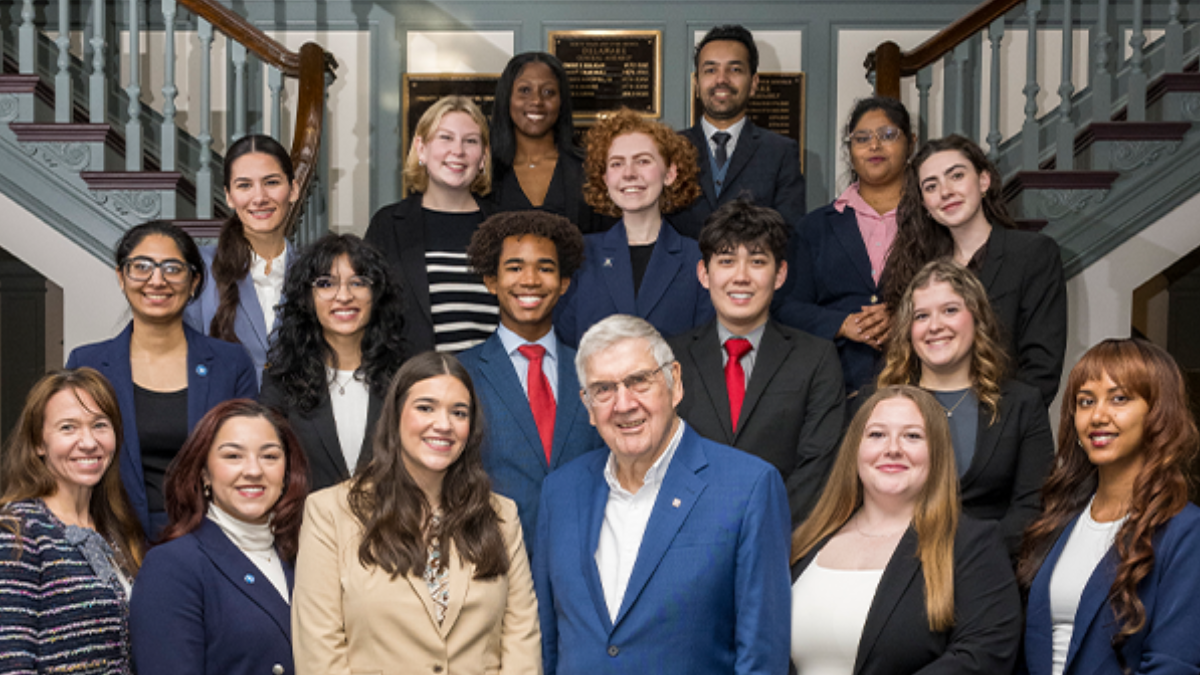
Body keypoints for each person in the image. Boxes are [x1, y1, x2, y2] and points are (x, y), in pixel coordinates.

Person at [534, 315, 790, 675]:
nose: (623, 404)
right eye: (603, 389)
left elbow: (762, 658)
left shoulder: (748, 488)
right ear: (588, 406)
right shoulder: (559, 492)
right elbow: (546, 643)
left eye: (639, 381)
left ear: (675, 383)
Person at [292, 352, 540, 675]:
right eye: (426, 407)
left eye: (459, 412)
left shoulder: (501, 516)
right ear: (395, 415)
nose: (444, 424)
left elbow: (521, 641)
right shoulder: (329, 513)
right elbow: (319, 654)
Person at [790, 385, 1022, 675]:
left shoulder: (972, 544)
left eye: (912, 436)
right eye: (876, 434)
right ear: (855, 449)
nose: (892, 449)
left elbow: (984, 654)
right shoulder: (801, 542)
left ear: (937, 452)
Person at [1019, 338, 1200, 675]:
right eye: (1085, 402)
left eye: (1119, 399)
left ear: (1159, 413)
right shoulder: (1058, 519)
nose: (1097, 416)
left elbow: (1173, 666)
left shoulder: (1186, 532)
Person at [67, 221, 258, 537]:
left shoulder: (230, 363)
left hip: (214, 537)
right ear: (121, 277)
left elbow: (250, 457)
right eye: (141, 267)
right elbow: (71, 463)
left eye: (172, 268)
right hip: (116, 537)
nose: (157, 280)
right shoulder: (87, 364)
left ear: (194, 281)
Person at [669, 198, 844, 525]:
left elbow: (818, 467)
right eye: (726, 261)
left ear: (780, 274)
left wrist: (759, 533)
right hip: (685, 537)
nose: (741, 276)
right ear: (704, 273)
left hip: (783, 540)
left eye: (758, 261)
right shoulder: (669, 358)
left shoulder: (816, 358)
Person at [876, 259, 1054, 554]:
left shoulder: (1022, 404)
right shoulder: (880, 403)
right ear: (908, 329)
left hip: (992, 568)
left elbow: (1032, 509)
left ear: (977, 316)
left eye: (950, 310)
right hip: (895, 565)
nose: (935, 326)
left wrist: (966, 554)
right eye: (921, 316)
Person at [129, 399, 309, 675]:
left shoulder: (305, 556)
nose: (253, 470)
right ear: (204, 475)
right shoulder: (172, 566)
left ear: (286, 473)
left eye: (269, 456)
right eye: (233, 456)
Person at [888, 134, 1067, 406]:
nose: (945, 191)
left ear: (984, 181)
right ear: (924, 204)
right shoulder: (917, 270)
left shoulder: (1033, 254)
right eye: (931, 186)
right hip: (929, 425)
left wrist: (1000, 430)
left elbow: (1042, 369)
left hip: (1005, 425)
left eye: (956, 176)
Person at [459, 211, 602, 550]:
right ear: (491, 281)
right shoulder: (459, 373)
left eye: (545, 268)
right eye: (514, 267)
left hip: (583, 557)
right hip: (490, 559)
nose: (530, 280)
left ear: (564, 282)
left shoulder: (594, 371)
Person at [0, 368, 144, 675]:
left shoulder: (112, 527)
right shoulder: (18, 531)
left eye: (100, 425)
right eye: (68, 428)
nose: (89, 442)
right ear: (39, 443)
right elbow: (10, 661)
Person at [774, 97, 915, 395]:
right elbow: (784, 306)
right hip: (835, 388)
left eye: (888, 135)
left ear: (911, 143)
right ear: (850, 151)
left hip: (918, 383)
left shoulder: (932, 221)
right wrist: (842, 323)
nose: (874, 146)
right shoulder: (816, 227)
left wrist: (905, 317)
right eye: (862, 138)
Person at [554, 109, 714, 346]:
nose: (629, 174)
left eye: (643, 161)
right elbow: (564, 346)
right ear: (605, 178)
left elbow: (705, 350)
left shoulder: (697, 260)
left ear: (669, 173)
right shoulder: (579, 256)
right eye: (617, 163)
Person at [260, 233, 407, 491]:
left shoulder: (407, 380)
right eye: (327, 284)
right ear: (307, 297)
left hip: (391, 528)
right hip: (307, 528)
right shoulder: (281, 381)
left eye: (358, 282)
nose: (344, 296)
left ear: (376, 293)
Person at [366, 96, 500, 354]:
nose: (458, 151)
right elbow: (369, 314)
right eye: (445, 138)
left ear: (483, 157)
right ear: (421, 148)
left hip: (489, 386)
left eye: (470, 141)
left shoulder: (505, 227)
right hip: (415, 384)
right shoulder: (388, 225)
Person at [185, 134, 301, 384]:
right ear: (228, 196)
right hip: (224, 418)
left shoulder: (315, 271)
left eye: (271, 182)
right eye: (244, 185)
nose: (259, 197)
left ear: (293, 189)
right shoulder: (199, 269)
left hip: (300, 420)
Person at [672, 24, 806, 239]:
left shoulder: (780, 152)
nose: (721, 79)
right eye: (710, 70)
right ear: (697, 84)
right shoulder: (669, 148)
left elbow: (788, 235)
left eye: (734, 69)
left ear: (753, 83)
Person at [489, 51, 613, 233]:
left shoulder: (591, 169)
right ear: (507, 98)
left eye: (548, 92)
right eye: (525, 90)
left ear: (561, 101)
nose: (537, 101)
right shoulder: (484, 169)